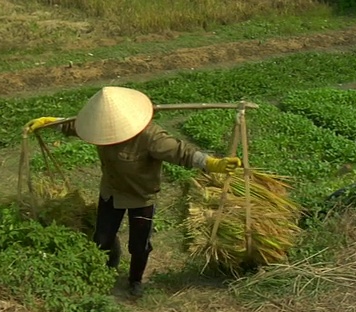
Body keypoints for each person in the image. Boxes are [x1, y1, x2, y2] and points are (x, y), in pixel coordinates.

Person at [26, 86, 241, 297]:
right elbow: (76, 126)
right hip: (111, 191)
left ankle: (135, 280)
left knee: (139, 245)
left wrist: (212, 163)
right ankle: (109, 265)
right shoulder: (99, 128)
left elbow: (181, 152)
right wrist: (50, 123)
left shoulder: (150, 137)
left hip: (141, 197)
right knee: (102, 238)